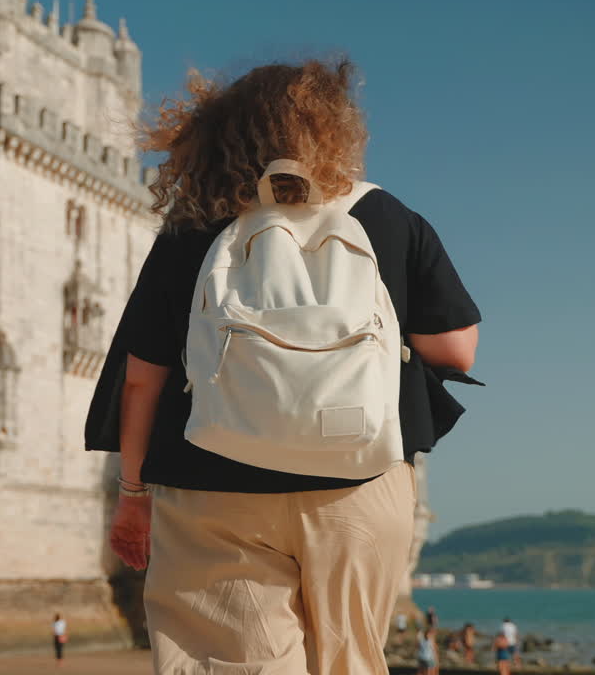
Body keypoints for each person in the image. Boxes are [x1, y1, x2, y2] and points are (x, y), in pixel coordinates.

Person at [88, 59, 482, 675]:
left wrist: (133, 496)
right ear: (336, 131)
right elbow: (457, 350)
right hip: (359, 481)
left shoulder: (191, 229)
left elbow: (141, 378)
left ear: (218, 136)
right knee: (351, 661)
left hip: (211, 488)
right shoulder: (387, 217)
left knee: (230, 662)